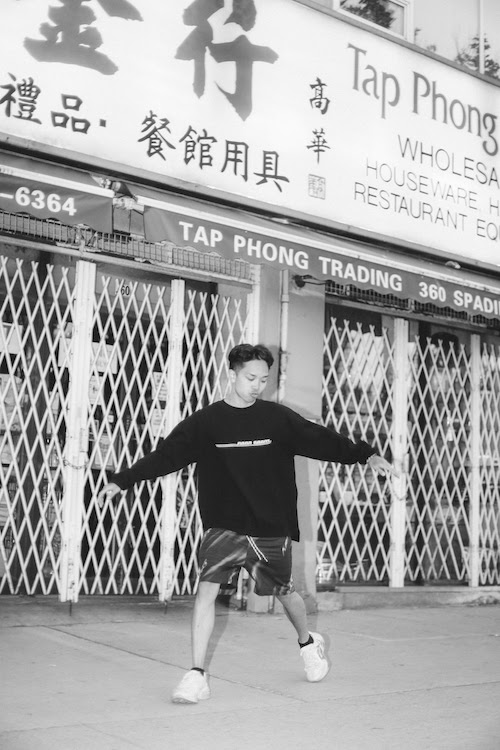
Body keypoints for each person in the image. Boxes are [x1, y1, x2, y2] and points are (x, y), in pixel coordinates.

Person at [98, 343, 396, 704]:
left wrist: (366, 456)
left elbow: (321, 440)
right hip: (223, 525)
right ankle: (196, 675)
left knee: (285, 593)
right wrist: (123, 479)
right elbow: (167, 456)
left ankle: (307, 642)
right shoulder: (207, 422)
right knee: (205, 592)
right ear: (232, 374)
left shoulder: (277, 419)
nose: (257, 386)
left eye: (264, 379)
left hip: (269, 525)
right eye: (250, 378)